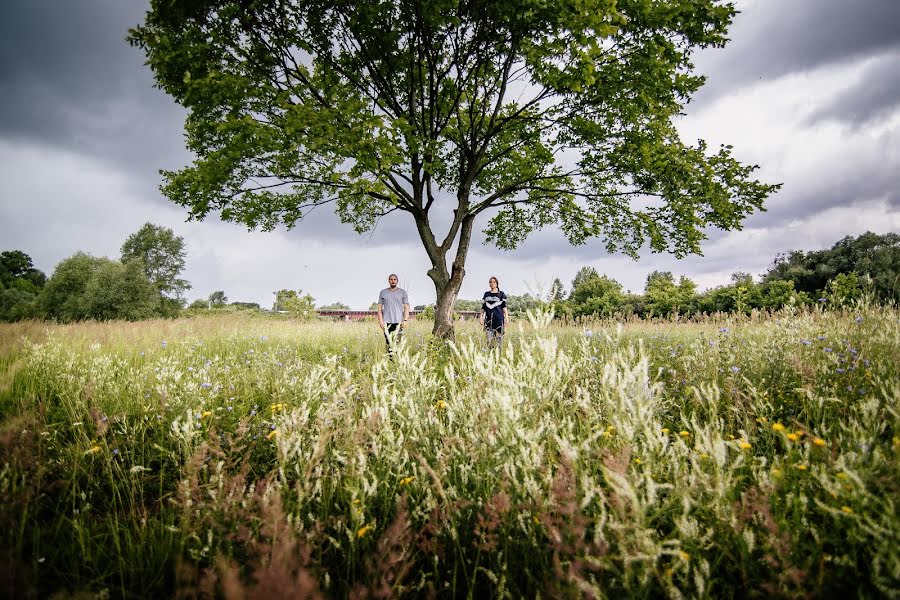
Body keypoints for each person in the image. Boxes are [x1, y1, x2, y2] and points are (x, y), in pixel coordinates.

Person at [377, 273, 409, 354]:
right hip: (386, 322)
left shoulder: (403, 292)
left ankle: (397, 362)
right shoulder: (383, 292)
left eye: (394, 279)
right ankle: (389, 363)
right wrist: (380, 320)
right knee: (388, 344)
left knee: (397, 344)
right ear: (389, 281)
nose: (393, 281)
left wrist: (405, 320)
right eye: (391, 279)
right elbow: (379, 308)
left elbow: (406, 307)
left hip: (399, 323)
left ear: (397, 281)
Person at [480, 276, 509, 349]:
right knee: (489, 340)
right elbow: (483, 307)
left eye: (494, 282)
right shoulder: (486, 294)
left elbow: (504, 307)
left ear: (497, 283)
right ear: (489, 284)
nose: (492, 283)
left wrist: (507, 318)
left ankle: (499, 356)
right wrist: (481, 317)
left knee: (499, 339)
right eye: (490, 282)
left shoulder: (501, 294)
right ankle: (491, 355)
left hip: (499, 319)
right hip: (489, 320)